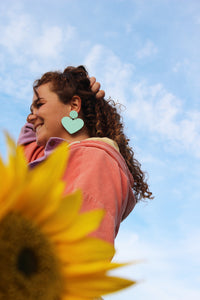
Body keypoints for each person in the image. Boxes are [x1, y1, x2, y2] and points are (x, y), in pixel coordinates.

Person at [18, 65, 153, 245]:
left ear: (74, 105)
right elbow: (27, 144)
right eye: (30, 110)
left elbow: (82, 243)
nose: (30, 117)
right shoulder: (51, 159)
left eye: (40, 104)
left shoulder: (97, 160)